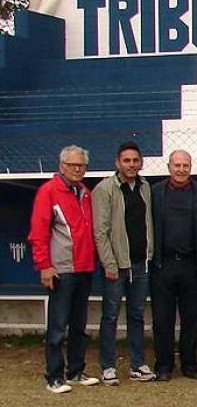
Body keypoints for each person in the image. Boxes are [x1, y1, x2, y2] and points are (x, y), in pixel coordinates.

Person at [28, 145, 100, 393]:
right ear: (61, 166)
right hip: (61, 270)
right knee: (58, 326)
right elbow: (38, 233)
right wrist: (45, 267)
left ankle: (76, 371)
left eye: (81, 165)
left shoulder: (85, 192)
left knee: (79, 325)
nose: (77, 169)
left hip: (84, 268)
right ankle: (54, 377)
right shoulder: (48, 192)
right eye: (72, 165)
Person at [150, 150, 197, 381]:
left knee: (192, 317)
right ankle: (164, 365)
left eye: (185, 165)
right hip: (163, 265)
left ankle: (189, 364)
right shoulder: (155, 192)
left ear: (191, 167)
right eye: (177, 165)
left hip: (193, 266)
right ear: (168, 166)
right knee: (162, 319)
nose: (181, 170)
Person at [92, 141, 156, 384]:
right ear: (117, 163)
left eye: (135, 160)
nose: (131, 165)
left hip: (141, 264)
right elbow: (101, 231)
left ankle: (137, 364)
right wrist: (109, 263)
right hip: (116, 267)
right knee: (110, 316)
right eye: (127, 161)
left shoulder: (145, 187)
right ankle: (107, 366)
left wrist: (149, 254)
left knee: (137, 315)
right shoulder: (104, 189)